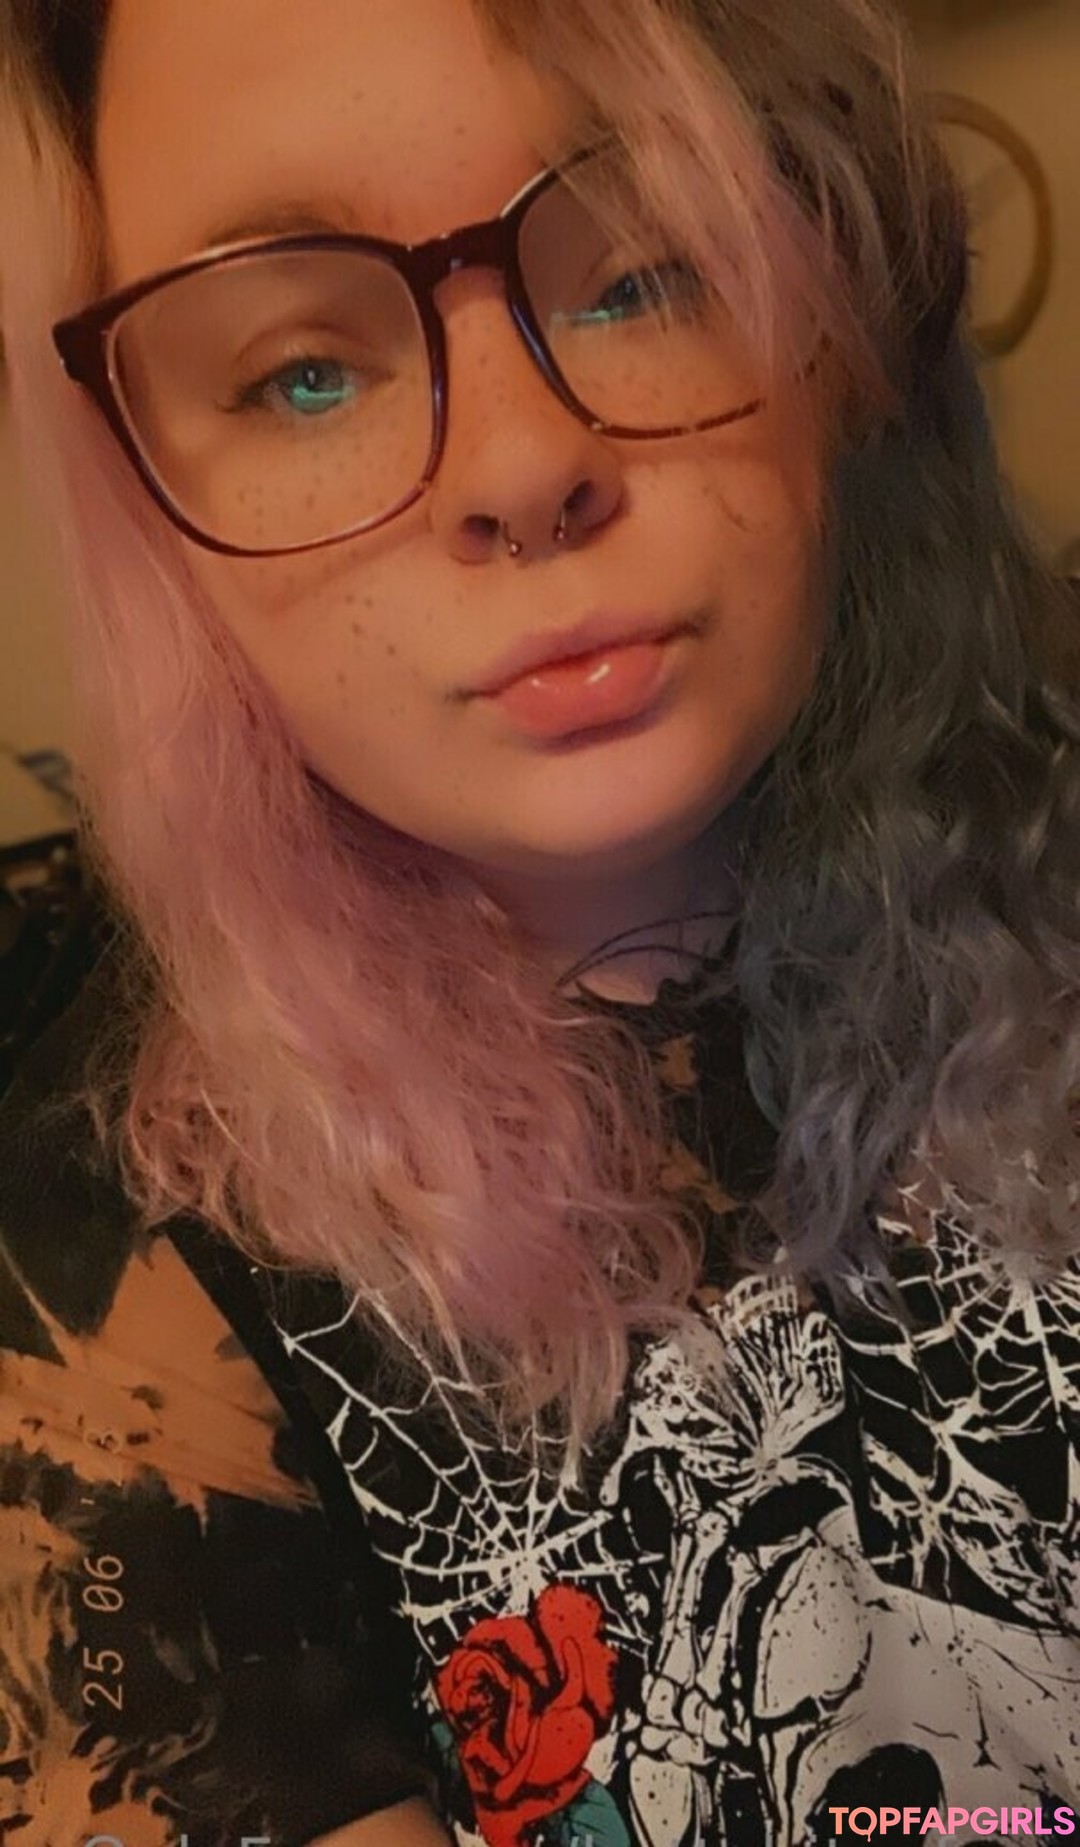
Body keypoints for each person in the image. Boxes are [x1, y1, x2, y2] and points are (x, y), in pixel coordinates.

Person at [1, 0, 1078, 1843]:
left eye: (644, 275)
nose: (519, 470)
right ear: (147, 502)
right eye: (303, 375)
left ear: (844, 312)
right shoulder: (106, 1275)